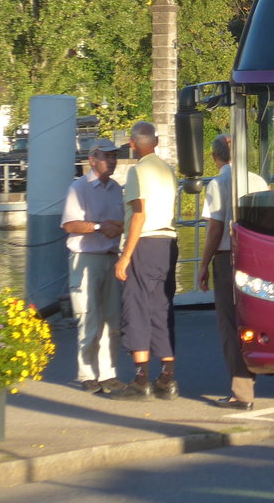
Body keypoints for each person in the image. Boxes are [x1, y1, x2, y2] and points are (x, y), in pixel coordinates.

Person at [197, 134, 269, 410]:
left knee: (230, 324)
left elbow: (215, 228)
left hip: (229, 258)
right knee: (253, 319)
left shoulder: (217, 183)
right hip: (258, 258)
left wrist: (204, 264)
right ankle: (253, 375)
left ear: (215, 158)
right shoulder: (259, 182)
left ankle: (242, 391)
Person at [111, 121, 180, 400]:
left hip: (145, 243)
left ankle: (141, 379)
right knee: (161, 308)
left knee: (137, 307)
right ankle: (167, 377)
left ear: (131, 144)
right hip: (168, 242)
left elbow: (139, 214)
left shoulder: (138, 171)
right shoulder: (168, 170)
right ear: (157, 141)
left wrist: (125, 257)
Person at [60, 138, 126, 394]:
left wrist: (117, 228)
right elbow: (69, 225)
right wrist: (99, 226)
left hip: (111, 257)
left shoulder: (116, 188)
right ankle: (88, 374)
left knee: (112, 320)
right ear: (92, 160)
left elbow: (121, 223)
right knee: (89, 318)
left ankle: (108, 374)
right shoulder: (79, 188)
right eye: (107, 156)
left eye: (114, 156)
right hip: (85, 257)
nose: (112, 161)